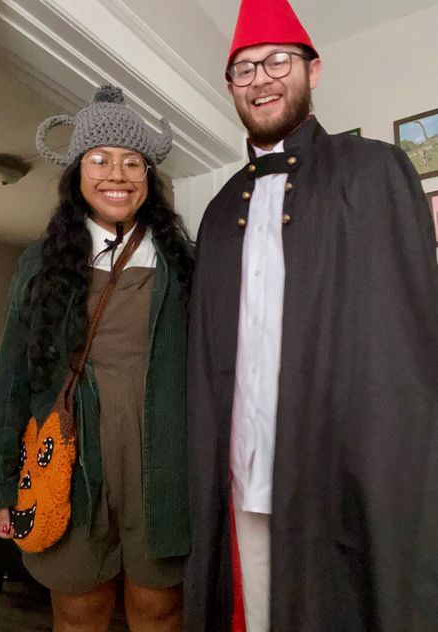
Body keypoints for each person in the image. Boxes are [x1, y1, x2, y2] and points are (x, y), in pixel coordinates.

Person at [185, 1, 438, 630]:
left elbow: (408, 328)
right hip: (245, 469)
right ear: (231, 88)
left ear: (313, 69)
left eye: (277, 61)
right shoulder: (218, 211)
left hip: (345, 466)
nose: (261, 79)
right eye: (243, 70)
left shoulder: (378, 169)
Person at [0, 85, 193, 632]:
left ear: (148, 176)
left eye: (131, 161)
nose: (116, 173)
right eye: (99, 159)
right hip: (71, 461)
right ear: (76, 174)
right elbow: (13, 380)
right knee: (78, 611)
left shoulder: (182, 263)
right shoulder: (39, 263)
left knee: (160, 611)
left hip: (166, 464)